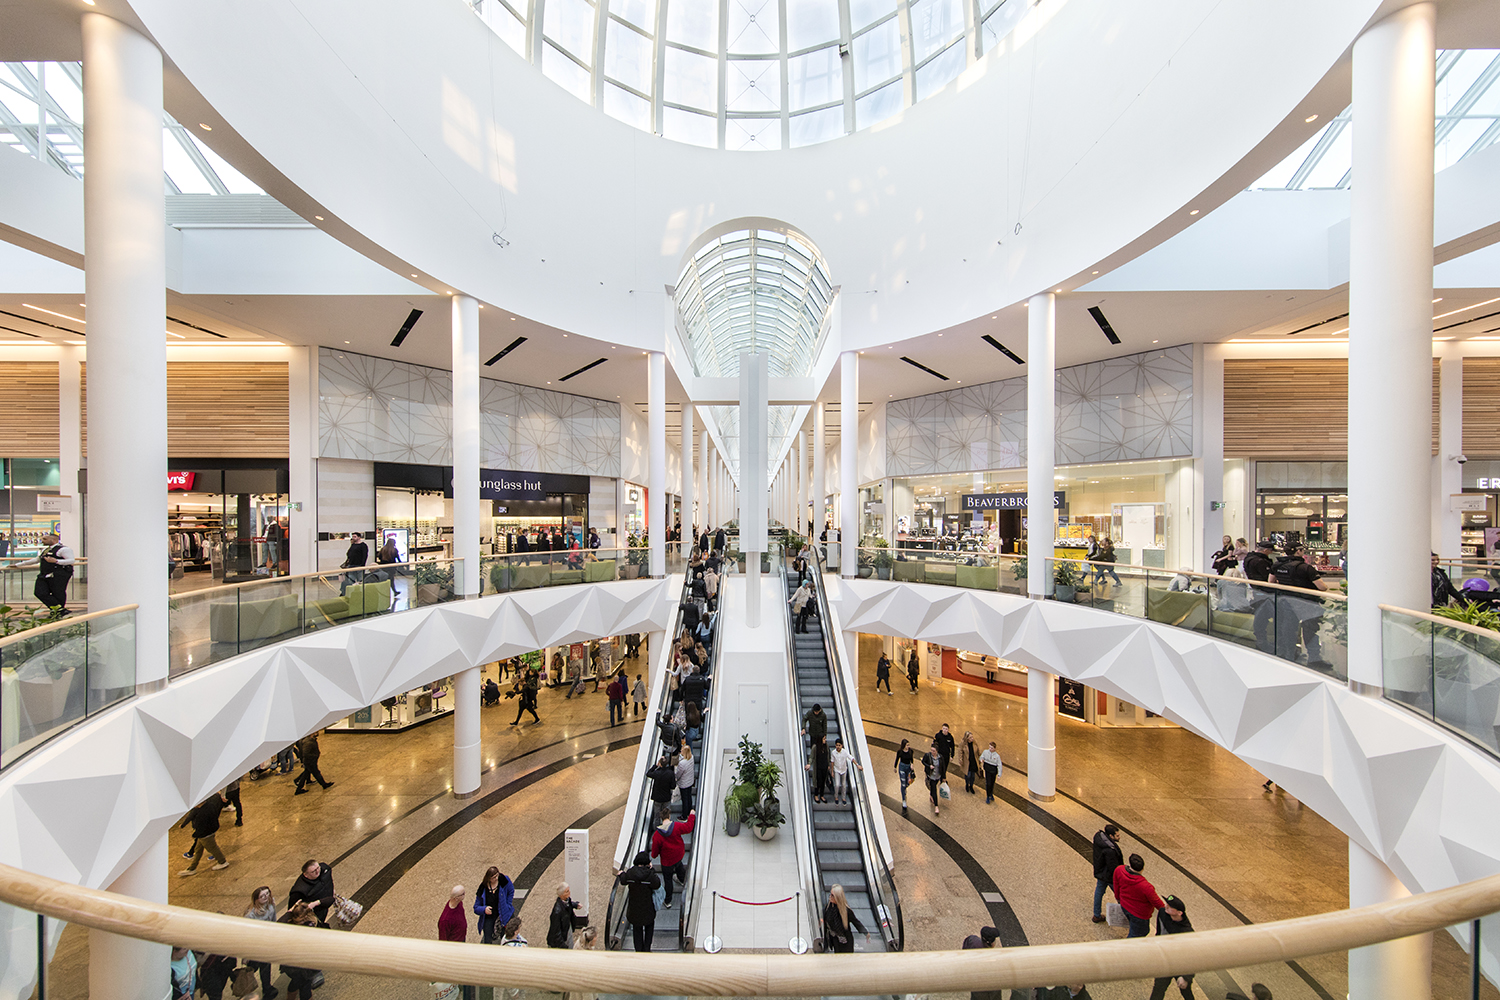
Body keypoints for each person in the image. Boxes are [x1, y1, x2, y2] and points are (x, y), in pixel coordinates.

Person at [1272, 544, 1330, 666]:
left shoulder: (1277, 565)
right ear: (1298, 552)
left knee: (1288, 629)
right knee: (1310, 631)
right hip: (1306, 603)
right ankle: (1314, 658)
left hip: (1286, 601)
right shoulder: (1305, 568)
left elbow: (1271, 582)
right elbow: (1322, 587)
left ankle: (1289, 655)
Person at [1148, 895, 1197, 999]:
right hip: (1165, 961)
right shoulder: (1162, 913)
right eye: (1167, 903)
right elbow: (1159, 932)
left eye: (1170, 906)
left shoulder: (1187, 932)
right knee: (1158, 989)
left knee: (1185, 991)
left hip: (1180, 963)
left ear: (1179, 913)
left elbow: (1193, 956)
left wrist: (1186, 977)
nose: (1166, 906)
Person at [615, 850, 662, 952]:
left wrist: (621, 874)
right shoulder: (649, 874)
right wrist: (652, 869)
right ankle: (647, 949)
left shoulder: (631, 872)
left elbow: (623, 881)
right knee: (649, 928)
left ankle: (639, 950)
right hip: (648, 909)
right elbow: (657, 884)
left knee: (637, 930)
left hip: (634, 910)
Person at [650, 806, 696, 908]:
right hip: (678, 855)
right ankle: (682, 880)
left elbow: (654, 853)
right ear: (669, 816)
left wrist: (654, 855)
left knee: (668, 880)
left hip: (667, 862)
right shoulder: (676, 826)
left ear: (661, 818)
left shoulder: (657, 835)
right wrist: (692, 815)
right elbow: (688, 827)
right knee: (679, 867)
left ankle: (668, 901)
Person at [1113, 853, 1165, 938]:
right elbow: (1157, 903)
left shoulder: (1119, 870)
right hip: (1139, 915)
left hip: (1124, 905)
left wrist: (1118, 898)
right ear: (1142, 868)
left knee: (1134, 927)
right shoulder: (1146, 886)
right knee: (1138, 934)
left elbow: (1116, 885)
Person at [277, 902, 322, 1000]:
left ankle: (290, 997)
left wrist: (289, 912)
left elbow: (278, 924)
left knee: (297, 982)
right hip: (303, 965)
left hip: (291, 964)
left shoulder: (290, 925)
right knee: (305, 986)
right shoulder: (309, 926)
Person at [178, 793, 230, 876]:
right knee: (198, 850)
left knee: (213, 848)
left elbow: (200, 826)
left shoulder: (202, 813)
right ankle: (192, 868)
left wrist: (195, 834)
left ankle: (222, 862)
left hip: (205, 835)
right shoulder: (209, 806)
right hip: (209, 832)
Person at [244, 887, 280, 999]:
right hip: (255, 946)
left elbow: (273, 921)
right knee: (251, 969)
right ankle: (244, 988)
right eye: (262, 896)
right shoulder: (250, 915)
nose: (266, 897)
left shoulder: (270, 905)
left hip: (266, 944)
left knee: (265, 967)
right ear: (256, 899)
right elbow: (247, 934)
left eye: (267, 894)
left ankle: (267, 988)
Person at [26, 531, 75, 614]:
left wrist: (56, 561)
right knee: (40, 592)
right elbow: (37, 559)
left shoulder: (63, 549)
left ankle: (57, 611)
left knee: (58, 592)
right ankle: (59, 609)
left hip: (59, 574)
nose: (42, 540)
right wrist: (17, 565)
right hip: (45, 574)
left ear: (53, 540)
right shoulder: (46, 550)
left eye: (45, 539)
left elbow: (71, 560)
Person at [1090, 823, 1123, 923]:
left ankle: (1096, 914)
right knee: (1120, 895)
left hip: (1100, 871)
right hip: (1109, 876)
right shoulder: (1110, 850)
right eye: (1117, 835)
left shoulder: (1099, 837)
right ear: (1111, 836)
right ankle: (1127, 913)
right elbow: (1113, 867)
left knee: (1099, 892)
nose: (1119, 837)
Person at [288, 859, 337, 927]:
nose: (317, 871)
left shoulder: (325, 869)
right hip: (313, 913)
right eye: (313, 871)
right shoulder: (299, 890)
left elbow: (329, 881)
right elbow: (292, 909)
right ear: (306, 875)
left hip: (323, 907)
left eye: (318, 868)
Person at [474, 865, 516, 944]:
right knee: (488, 939)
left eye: (497, 876)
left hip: (504, 915)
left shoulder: (504, 880)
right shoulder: (483, 888)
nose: (496, 878)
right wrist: (484, 909)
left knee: (507, 939)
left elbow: (511, 891)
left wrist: (508, 904)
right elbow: (476, 907)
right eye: (493, 877)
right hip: (489, 917)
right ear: (489, 879)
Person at [822, 884, 868, 953]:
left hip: (846, 941)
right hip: (835, 940)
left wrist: (866, 933)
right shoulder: (828, 908)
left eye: (832, 895)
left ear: (838, 897)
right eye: (830, 894)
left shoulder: (846, 911)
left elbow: (856, 922)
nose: (830, 897)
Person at [829, 738, 863, 805]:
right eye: (837, 745)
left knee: (844, 785)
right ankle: (836, 796)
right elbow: (832, 762)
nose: (838, 747)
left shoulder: (845, 752)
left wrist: (857, 765)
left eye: (839, 745)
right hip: (837, 770)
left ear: (842, 745)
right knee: (837, 785)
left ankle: (843, 797)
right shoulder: (833, 753)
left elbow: (851, 758)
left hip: (844, 770)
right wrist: (832, 771)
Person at [547, 882, 581, 948]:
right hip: (561, 939)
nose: (569, 892)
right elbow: (556, 931)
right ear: (562, 895)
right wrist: (563, 946)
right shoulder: (557, 912)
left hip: (567, 928)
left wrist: (575, 905)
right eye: (567, 891)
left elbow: (569, 904)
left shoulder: (566, 900)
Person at [806, 734, 831, 803]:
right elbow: (811, 756)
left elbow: (828, 755)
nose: (825, 740)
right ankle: (816, 795)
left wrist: (828, 764)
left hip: (824, 766)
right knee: (817, 781)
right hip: (818, 767)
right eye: (824, 739)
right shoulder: (815, 747)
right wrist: (809, 764)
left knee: (823, 781)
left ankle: (822, 795)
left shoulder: (826, 746)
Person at [675, 741, 697, 818]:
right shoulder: (692, 758)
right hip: (690, 781)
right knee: (689, 797)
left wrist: (676, 778)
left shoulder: (682, 763)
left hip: (684, 783)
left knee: (684, 799)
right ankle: (689, 811)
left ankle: (684, 816)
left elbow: (679, 774)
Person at [921, 741, 943, 816]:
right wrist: (929, 766)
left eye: (933, 751)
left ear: (937, 751)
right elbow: (923, 761)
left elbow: (942, 767)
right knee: (934, 789)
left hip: (937, 776)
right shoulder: (928, 756)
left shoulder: (940, 757)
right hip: (931, 776)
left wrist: (944, 777)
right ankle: (936, 806)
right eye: (931, 750)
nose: (932, 752)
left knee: (933, 788)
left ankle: (931, 795)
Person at [894, 738, 915, 814]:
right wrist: (895, 767)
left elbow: (911, 759)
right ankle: (904, 800)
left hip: (908, 767)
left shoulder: (910, 751)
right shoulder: (900, 752)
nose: (908, 746)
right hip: (902, 767)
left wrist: (912, 764)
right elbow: (897, 759)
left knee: (908, 781)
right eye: (907, 745)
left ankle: (904, 788)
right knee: (903, 783)